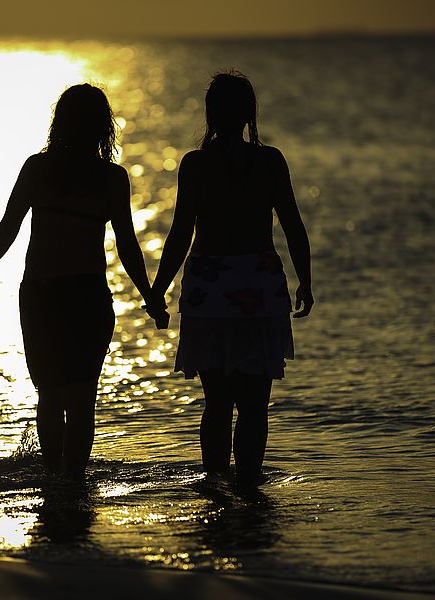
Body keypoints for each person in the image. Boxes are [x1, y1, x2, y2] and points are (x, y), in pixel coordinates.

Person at [0, 83, 166, 481]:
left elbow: (8, 229)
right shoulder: (108, 177)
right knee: (80, 398)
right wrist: (150, 296)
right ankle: (71, 484)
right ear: (103, 128)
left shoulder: (40, 168)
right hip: (83, 296)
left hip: (43, 294)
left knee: (51, 397)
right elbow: (126, 244)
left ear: (60, 123)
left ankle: (56, 483)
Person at [150, 71, 314, 488]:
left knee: (217, 402)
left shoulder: (196, 164)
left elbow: (181, 232)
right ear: (247, 115)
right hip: (259, 285)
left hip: (210, 287)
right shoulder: (269, 161)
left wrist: (158, 288)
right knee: (255, 404)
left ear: (209, 114)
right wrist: (305, 281)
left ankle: (216, 489)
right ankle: (250, 488)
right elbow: (293, 226)